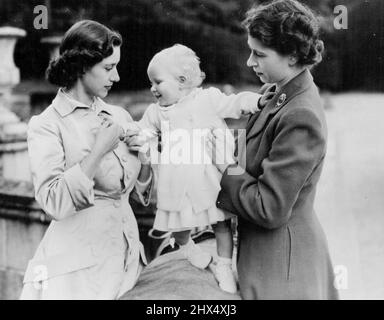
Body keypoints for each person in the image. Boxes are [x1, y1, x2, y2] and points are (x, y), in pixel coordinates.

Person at [209, 0, 339, 299]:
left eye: (259, 54)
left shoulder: (300, 113)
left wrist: (225, 164)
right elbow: (255, 147)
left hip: (282, 270)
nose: (249, 62)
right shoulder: (280, 93)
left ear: (292, 56)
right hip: (268, 257)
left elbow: (269, 207)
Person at [20, 20, 153, 300]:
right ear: (82, 65)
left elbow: (138, 195)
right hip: (77, 273)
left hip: (126, 257)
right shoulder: (47, 124)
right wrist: (97, 152)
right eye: (108, 68)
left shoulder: (119, 116)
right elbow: (53, 201)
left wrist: (146, 159)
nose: (116, 77)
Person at [132, 44, 264, 293]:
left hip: (208, 177)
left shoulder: (207, 99)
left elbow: (234, 103)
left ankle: (224, 265)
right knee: (177, 224)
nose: (152, 88)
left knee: (222, 224)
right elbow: (143, 132)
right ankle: (188, 247)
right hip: (178, 179)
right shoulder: (157, 112)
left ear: (181, 81)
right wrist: (130, 133)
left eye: (157, 82)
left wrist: (255, 101)